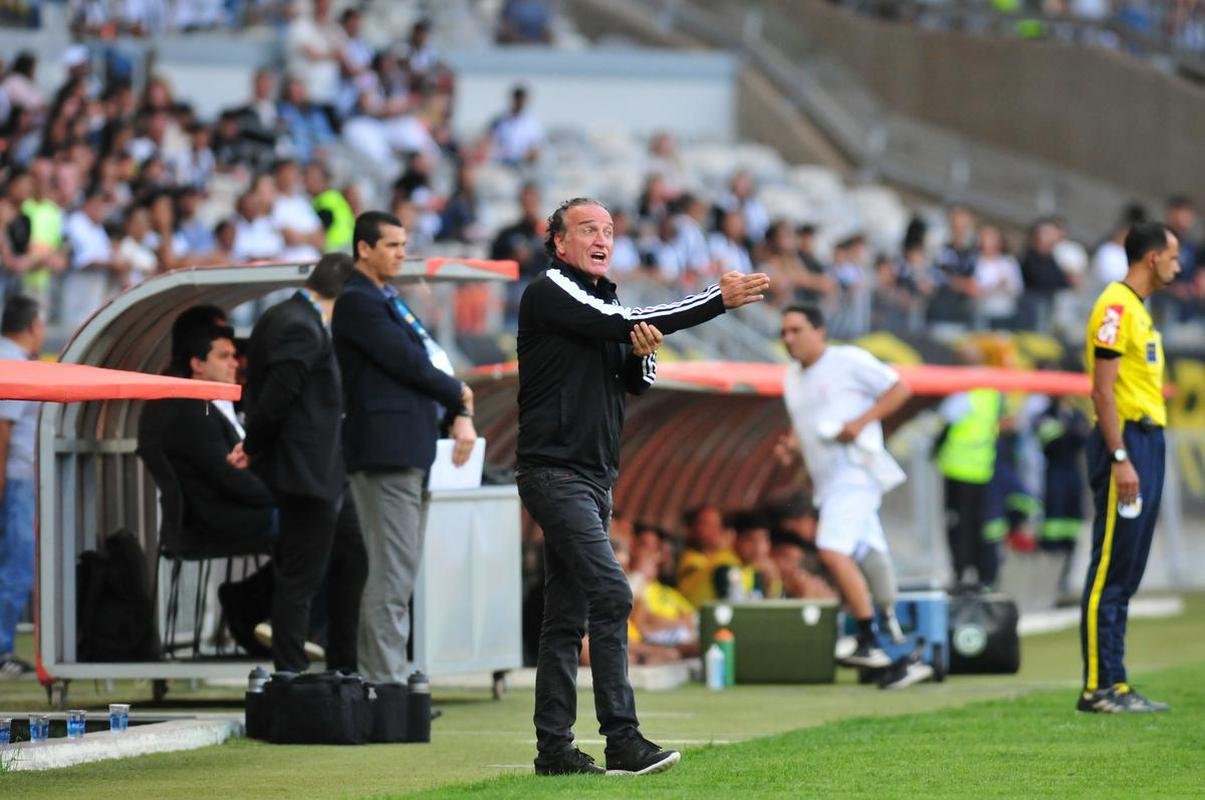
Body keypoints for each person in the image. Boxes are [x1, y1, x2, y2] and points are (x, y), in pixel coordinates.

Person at [516, 196, 769, 776]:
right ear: (559, 243)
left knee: (564, 619)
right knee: (612, 595)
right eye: (587, 229)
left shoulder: (604, 301)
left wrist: (640, 357)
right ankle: (622, 740)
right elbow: (620, 327)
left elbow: (634, 380)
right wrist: (715, 300)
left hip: (594, 476)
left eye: (607, 229)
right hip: (555, 473)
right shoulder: (551, 290)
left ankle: (553, 751)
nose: (601, 237)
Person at [332, 211, 477, 685]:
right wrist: (456, 394)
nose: (401, 254)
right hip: (385, 451)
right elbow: (408, 362)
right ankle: (385, 682)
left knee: (398, 570)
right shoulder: (357, 301)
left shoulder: (383, 299)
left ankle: (388, 675)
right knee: (392, 573)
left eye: (403, 245)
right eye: (392, 245)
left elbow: (417, 358)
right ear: (363, 249)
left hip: (403, 449)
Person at [777, 306, 924, 687]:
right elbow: (804, 422)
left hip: (856, 472)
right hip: (829, 484)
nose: (788, 338)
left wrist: (859, 423)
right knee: (870, 558)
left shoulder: (847, 360)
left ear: (819, 331)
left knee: (831, 549)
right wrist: (791, 447)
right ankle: (902, 654)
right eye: (784, 332)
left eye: (796, 330)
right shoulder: (792, 378)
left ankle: (867, 637)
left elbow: (901, 388)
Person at [234, 252, 361, 673]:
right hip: (306, 472)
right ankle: (290, 673)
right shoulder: (300, 326)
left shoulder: (285, 315)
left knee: (349, 557)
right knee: (300, 578)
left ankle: (344, 669)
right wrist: (252, 444)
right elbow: (277, 396)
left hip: (320, 471)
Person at [1077, 222, 1179, 714]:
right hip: (1126, 441)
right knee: (1110, 569)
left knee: (1128, 570)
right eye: (1173, 256)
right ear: (1152, 257)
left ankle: (1116, 683)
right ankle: (1098, 686)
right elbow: (1102, 389)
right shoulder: (1115, 307)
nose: (1178, 266)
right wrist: (1120, 457)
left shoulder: (1139, 311)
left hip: (1147, 438)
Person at [0, 296, 45, 677]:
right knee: (14, 566)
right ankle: (1, 650)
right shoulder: (12, 362)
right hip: (13, 477)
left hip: (13, 476)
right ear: (32, 325)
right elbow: (3, 426)